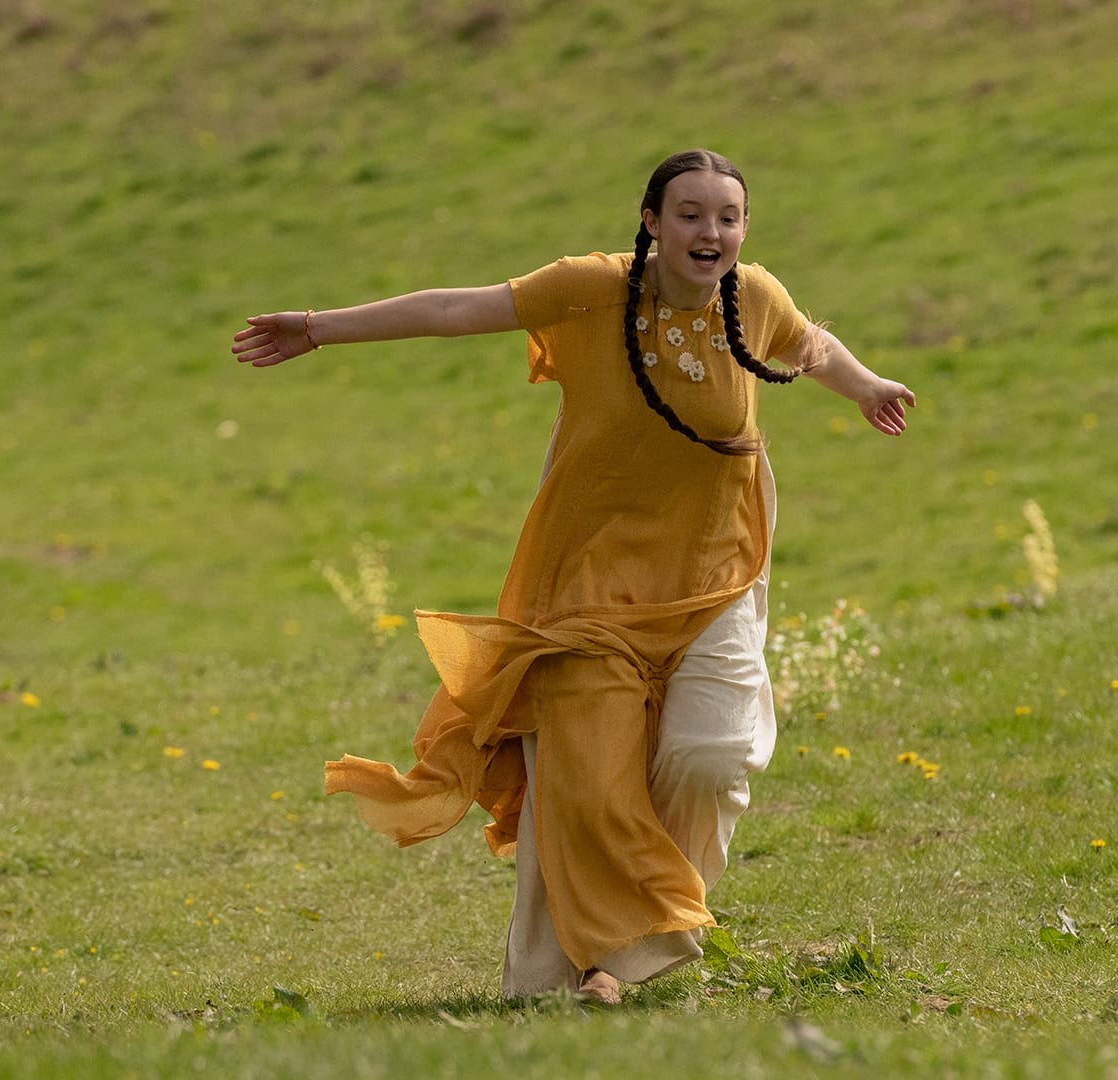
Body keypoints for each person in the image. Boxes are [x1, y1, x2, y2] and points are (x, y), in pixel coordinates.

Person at [229, 149, 915, 1006]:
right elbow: (453, 309)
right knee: (586, 780)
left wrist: (864, 387)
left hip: (716, 569)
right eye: (691, 214)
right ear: (652, 222)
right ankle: (608, 961)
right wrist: (317, 326)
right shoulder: (590, 288)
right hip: (591, 580)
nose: (710, 232)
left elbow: (811, 345)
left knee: (711, 756)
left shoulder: (755, 298)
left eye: (728, 217)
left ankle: (650, 925)